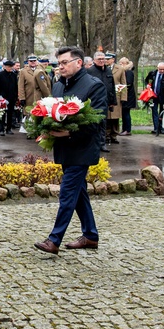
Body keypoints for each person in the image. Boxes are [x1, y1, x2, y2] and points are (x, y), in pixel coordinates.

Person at [34, 46, 107, 255]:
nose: (61, 67)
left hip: (82, 149)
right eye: (59, 63)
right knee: (79, 193)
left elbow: (96, 122)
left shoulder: (94, 86)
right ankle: (91, 236)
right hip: (64, 149)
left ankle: (54, 240)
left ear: (79, 63)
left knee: (67, 193)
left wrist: (67, 133)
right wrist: (47, 129)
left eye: (65, 62)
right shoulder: (58, 86)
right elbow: (51, 113)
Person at [86, 50, 115, 153]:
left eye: (103, 59)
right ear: (94, 60)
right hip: (94, 101)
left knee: (103, 124)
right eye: (99, 59)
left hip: (105, 101)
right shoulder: (90, 71)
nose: (102, 61)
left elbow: (112, 86)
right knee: (94, 124)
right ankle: (93, 144)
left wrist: (112, 101)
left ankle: (102, 144)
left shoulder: (108, 71)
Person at [0, 59, 19, 135]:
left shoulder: (14, 75)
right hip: (2, 98)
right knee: (1, 114)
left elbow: (15, 87)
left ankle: (9, 128)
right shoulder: (0, 75)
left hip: (11, 98)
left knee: (10, 114)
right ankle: (1, 129)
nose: (10, 68)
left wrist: (16, 97)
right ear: (4, 67)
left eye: (11, 66)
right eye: (8, 66)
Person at [145, 62, 164, 135]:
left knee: (162, 112)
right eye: (160, 69)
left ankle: (161, 128)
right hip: (153, 95)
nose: (162, 71)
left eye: (163, 69)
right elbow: (146, 80)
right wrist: (147, 85)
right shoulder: (152, 74)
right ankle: (156, 128)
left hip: (162, 96)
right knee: (154, 111)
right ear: (157, 68)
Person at [106, 53, 126, 143]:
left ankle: (114, 135)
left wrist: (123, 98)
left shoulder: (120, 69)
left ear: (113, 59)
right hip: (106, 96)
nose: (106, 61)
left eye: (108, 59)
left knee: (115, 117)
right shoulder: (104, 69)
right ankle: (106, 135)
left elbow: (123, 83)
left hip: (116, 95)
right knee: (106, 117)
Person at [118, 57, 136, 135]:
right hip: (126, 95)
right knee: (124, 113)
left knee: (126, 113)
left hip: (128, 96)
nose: (120, 65)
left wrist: (119, 87)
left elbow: (128, 83)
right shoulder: (124, 72)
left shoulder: (128, 72)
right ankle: (124, 129)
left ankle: (127, 129)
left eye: (121, 63)